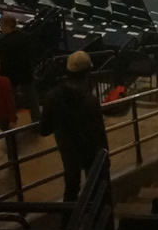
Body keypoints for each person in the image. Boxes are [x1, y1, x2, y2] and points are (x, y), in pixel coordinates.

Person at [39, 50, 107, 200]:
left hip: (68, 150)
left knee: (71, 188)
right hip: (90, 151)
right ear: (87, 72)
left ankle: (69, 221)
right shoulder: (90, 101)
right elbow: (99, 133)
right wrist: (105, 158)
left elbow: (44, 129)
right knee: (96, 189)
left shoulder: (52, 96)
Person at [0, 14, 41, 121]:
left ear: (6, 25)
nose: (0, 27)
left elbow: (2, 61)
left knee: (10, 99)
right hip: (26, 72)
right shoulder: (25, 36)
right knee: (32, 100)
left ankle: (9, 120)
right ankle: (37, 122)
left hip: (10, 76)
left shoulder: (4, 41)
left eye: (1, 25)